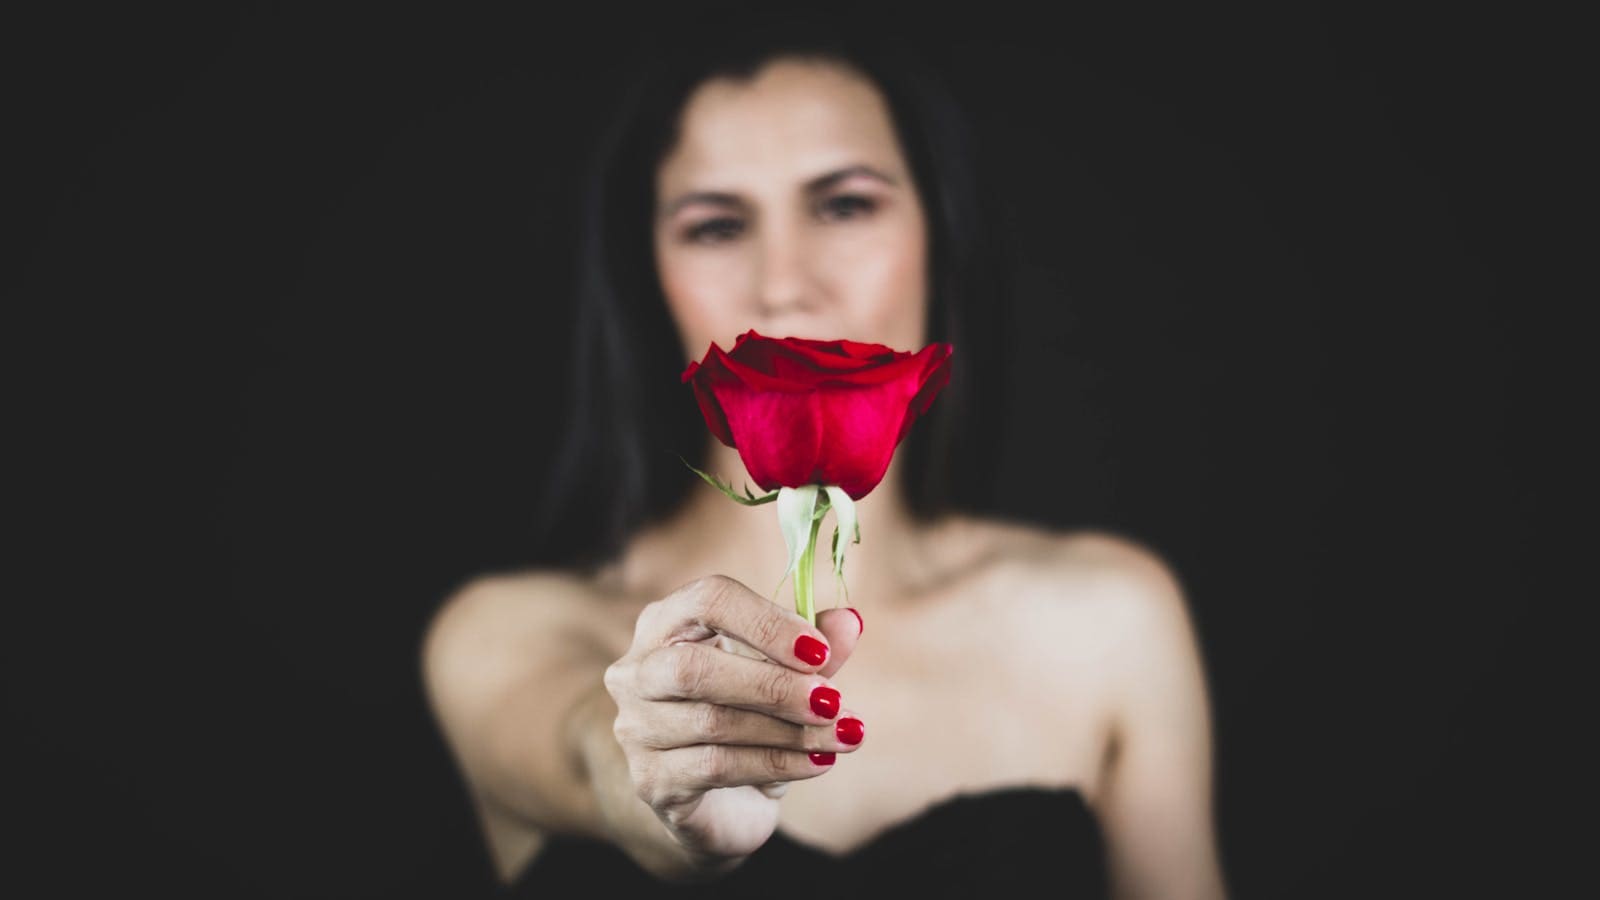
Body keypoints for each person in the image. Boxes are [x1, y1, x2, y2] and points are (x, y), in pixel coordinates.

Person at [423, 17, 1228, 900]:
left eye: (845, 205)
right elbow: (585, 751)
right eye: (716, 225)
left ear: (940, 232)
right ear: (648, 274)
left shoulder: (1105, 622)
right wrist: (656, 772)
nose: (784, 282)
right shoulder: (506, 633)